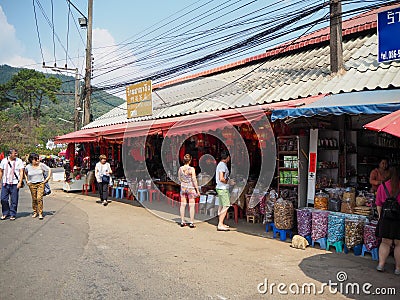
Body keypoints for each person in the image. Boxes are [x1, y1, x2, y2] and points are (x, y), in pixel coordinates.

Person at [375, 167, 400, 275]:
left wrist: (381, 217)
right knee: (399, 243)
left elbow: (378, 204)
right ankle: (398, 268)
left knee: (385, 242)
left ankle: (381, 265)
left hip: (385, 218)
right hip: (398, 219)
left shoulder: (382, 186)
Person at [24, 153, 51, 220]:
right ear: (31, 160)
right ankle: (35, 212)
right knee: (34, 199)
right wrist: (27, 180)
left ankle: (40, 213)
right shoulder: (28, 167)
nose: (37, 161)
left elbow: (49, 169)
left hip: (40, 184)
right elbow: (25, 173)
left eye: (38, 159)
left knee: (39, 198)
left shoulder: (41, 165)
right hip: (32, 184)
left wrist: (47, 179)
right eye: (36, 159)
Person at [0, 148, 24, 220]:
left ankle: (12, 214)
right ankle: (5, 213)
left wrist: (20, 182)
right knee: (3, 199)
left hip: (14, 183)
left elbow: (21, 171)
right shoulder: (4, 161)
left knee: (14, 200)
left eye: (16, 153)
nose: (16, 154)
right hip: (5, 183)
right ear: (10, 154)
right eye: (15, 153)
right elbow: (1, 171)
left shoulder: (19, 161)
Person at [178, 154, 200, 228]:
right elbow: (194, 180)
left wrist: (184, 182)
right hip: (190, 188)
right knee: (191, 205)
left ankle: (182, 221)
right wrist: (197, 190)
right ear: (190, 160)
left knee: (183, 205)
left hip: (183, 187)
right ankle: (191, 222)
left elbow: (179, 178)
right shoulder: (191, 169)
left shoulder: (180, 169)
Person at [215, 150, 234, 231]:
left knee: (222, 205)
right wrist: (229, 182)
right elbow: (221, 178)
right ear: (228, 157)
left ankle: (221, 222)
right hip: (222, 188)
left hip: (220, 187)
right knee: (226, 206)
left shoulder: (221, 164)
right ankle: (220, 224)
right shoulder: (222, 165)